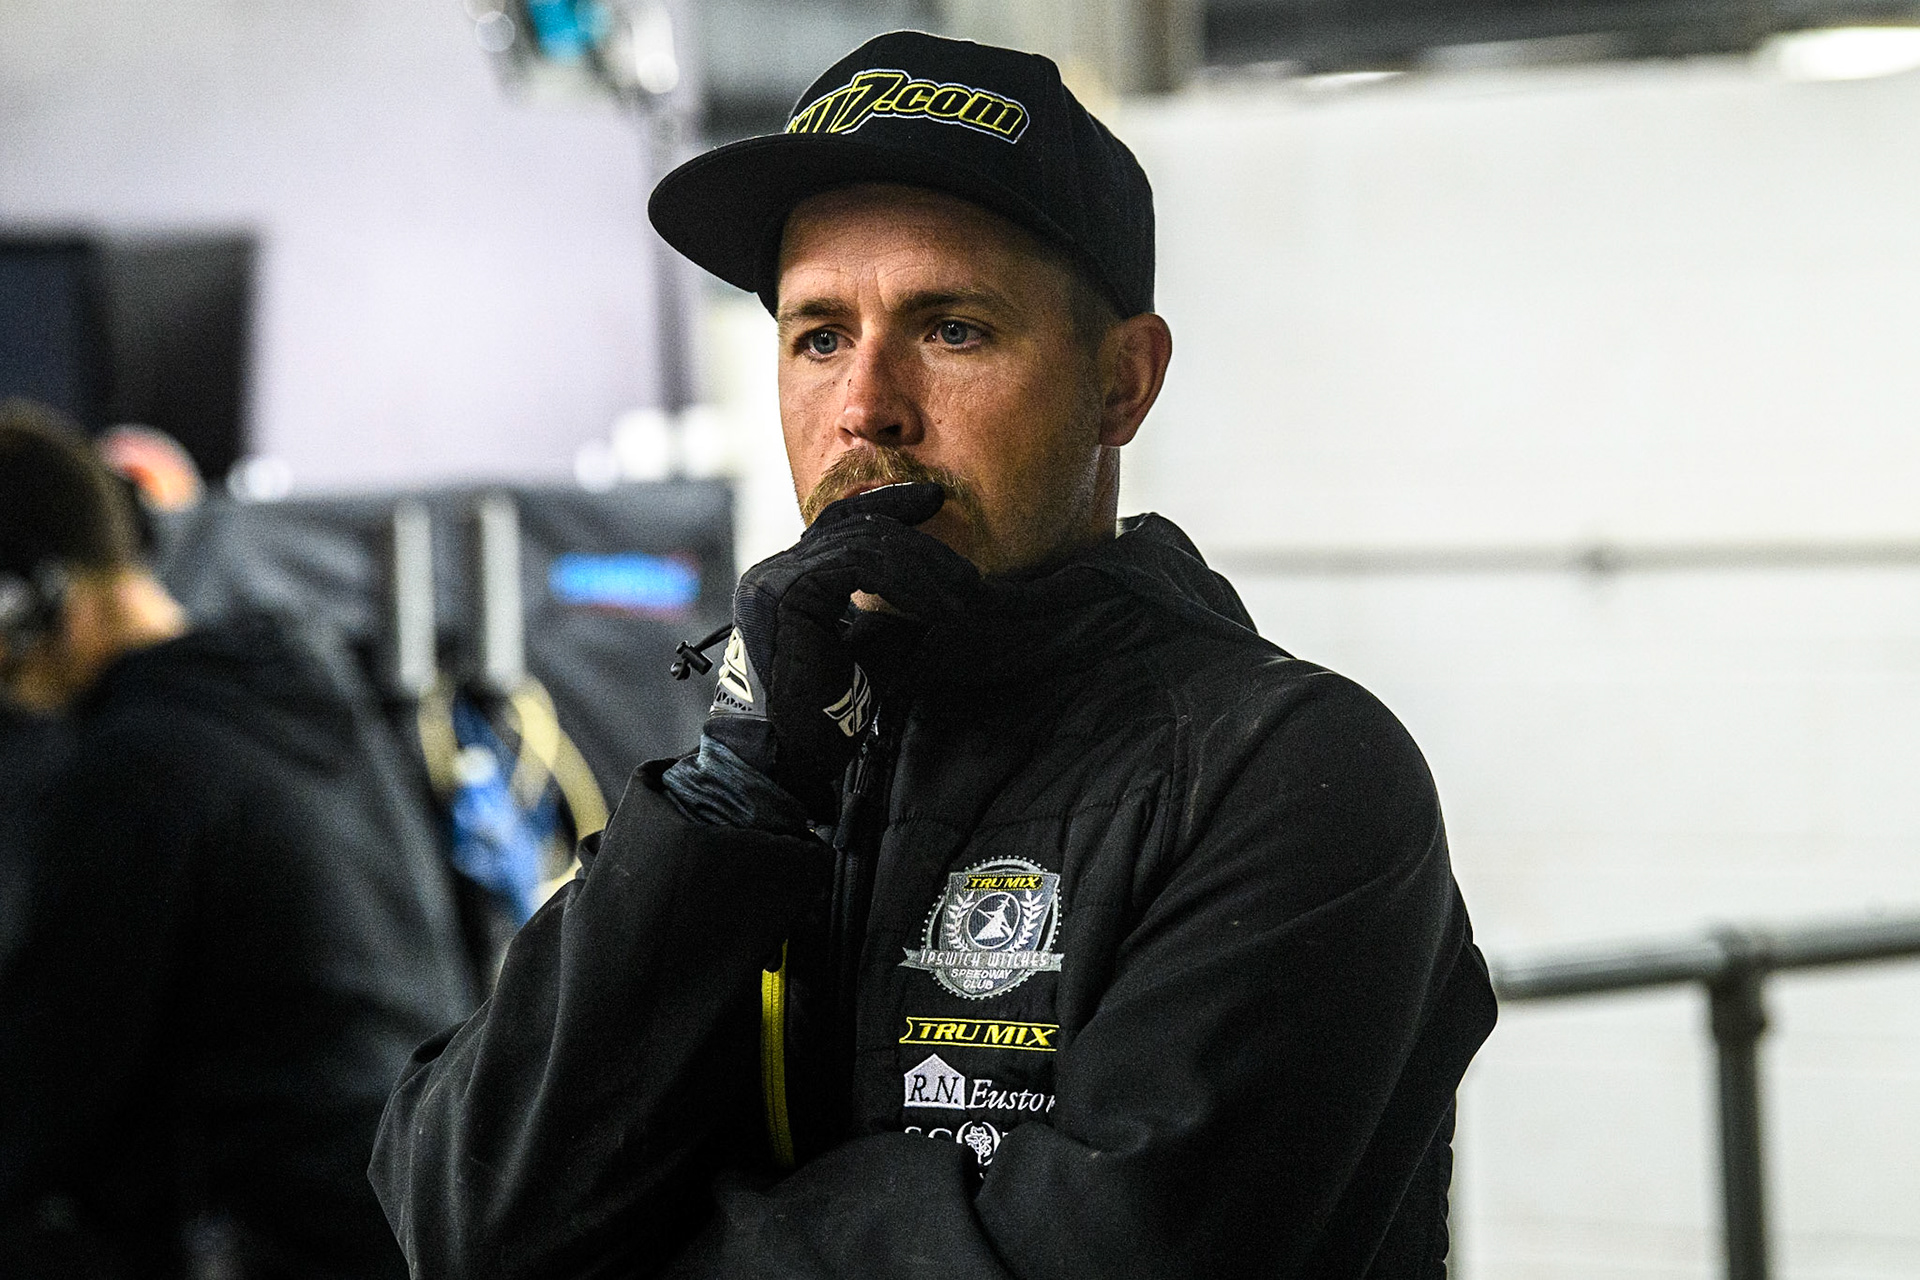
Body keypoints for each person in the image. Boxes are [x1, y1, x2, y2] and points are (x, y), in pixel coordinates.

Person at [371, 31, 1497, 1279]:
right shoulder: (770, 777)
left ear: (1122, 384)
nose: (867, 405)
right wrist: (731, 791)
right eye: (817, 336)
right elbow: (471, 1217)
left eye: (952, 329)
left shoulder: (1291, 773)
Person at [0, 401, 477, 1279]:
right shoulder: (300, 686)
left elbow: (48, 1087)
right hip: (419, 1207)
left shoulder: (139, 768)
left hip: (290, 1240)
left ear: (36, 599)